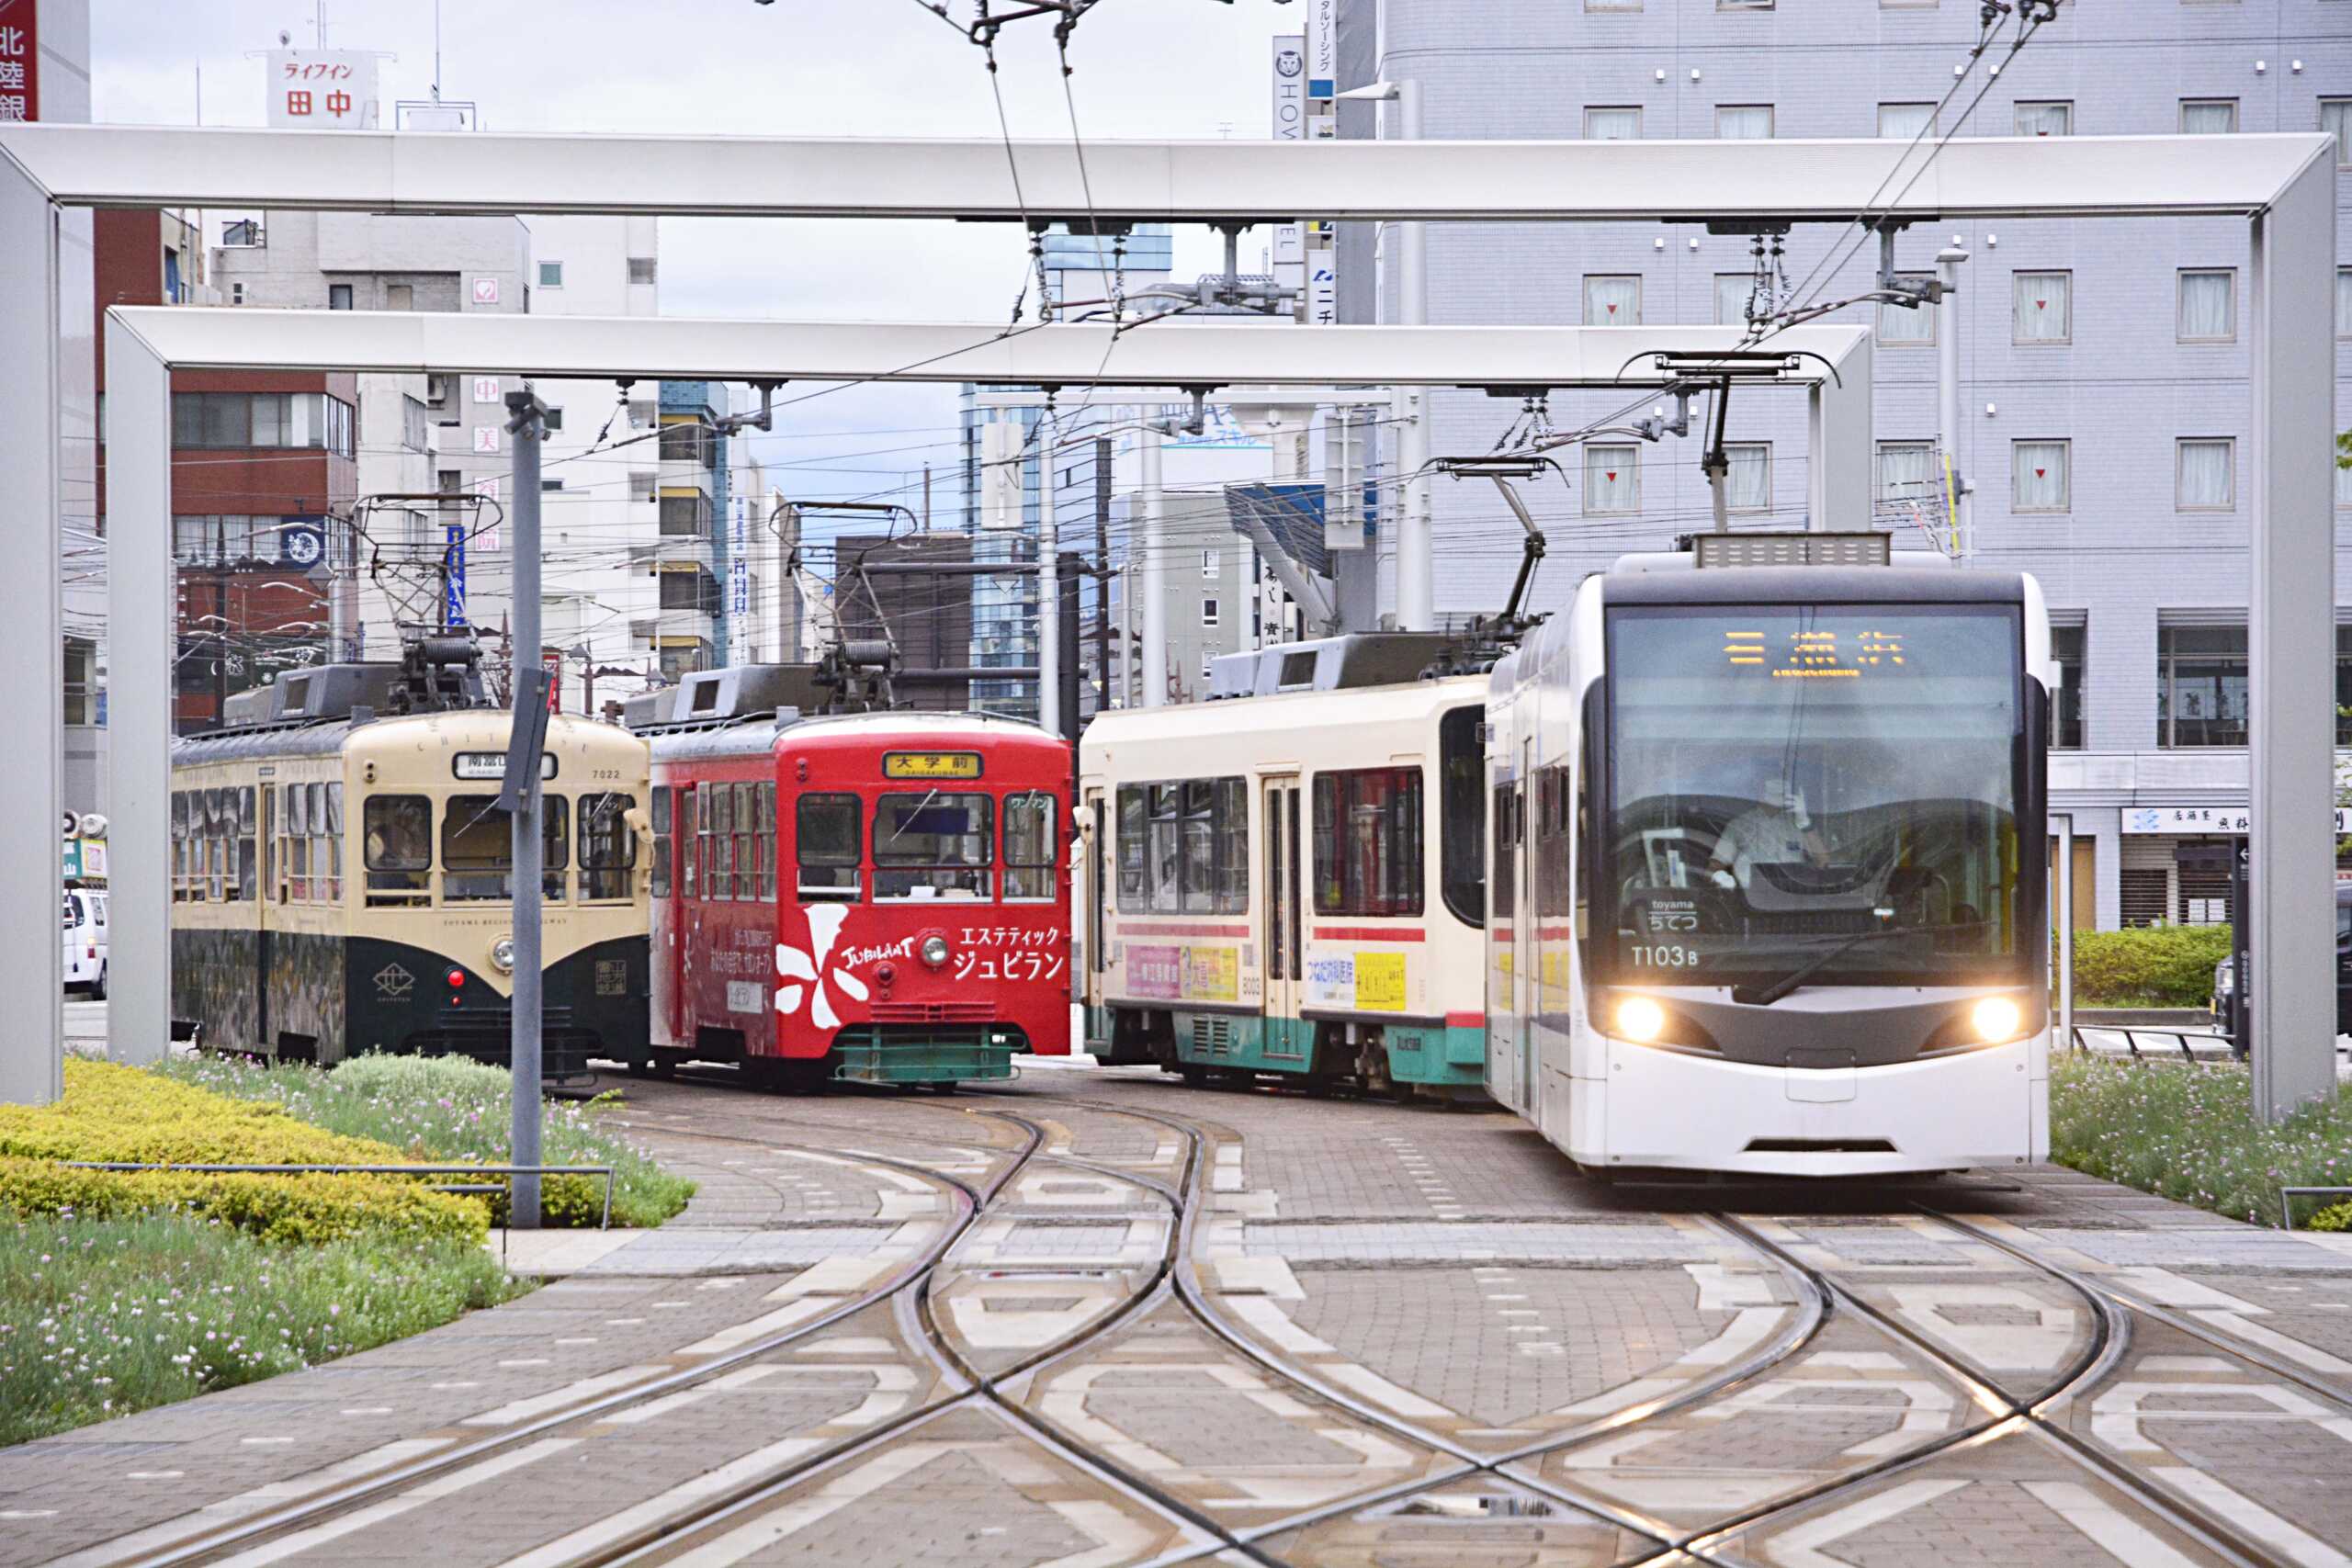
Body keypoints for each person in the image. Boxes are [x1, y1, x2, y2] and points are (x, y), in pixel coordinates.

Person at [1708, 764, 1833, 890]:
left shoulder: (1798, 822)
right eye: (1774, 788)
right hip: (1752, 895)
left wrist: (1805, 823)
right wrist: (1721, 876)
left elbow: (1823, 861)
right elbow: (1716, 864)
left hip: (1793, 893)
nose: (1779, 794)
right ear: (1760, 792)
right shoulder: (1740, 824)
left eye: (1783, 789)